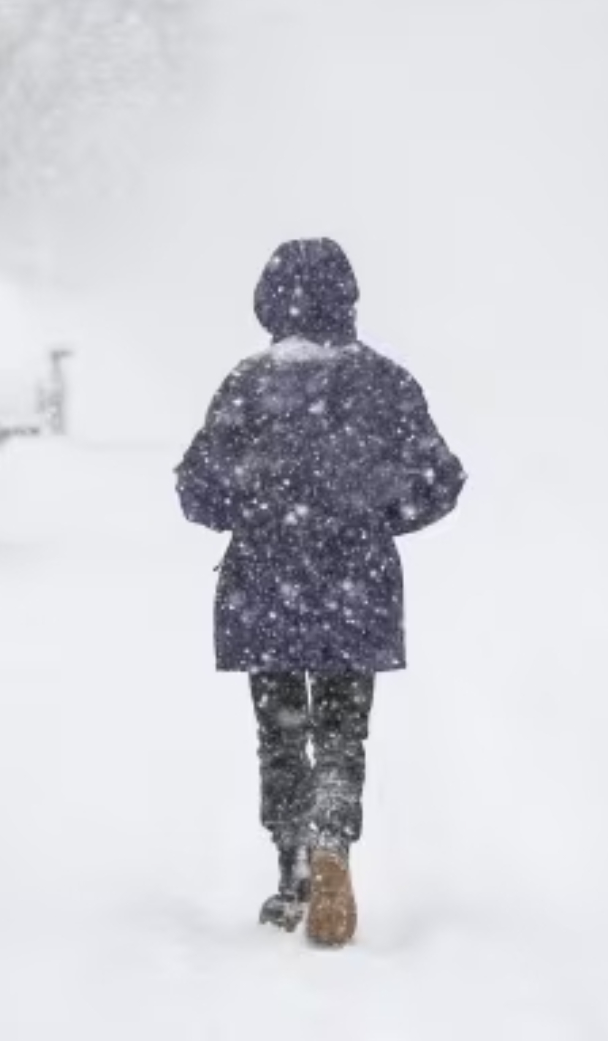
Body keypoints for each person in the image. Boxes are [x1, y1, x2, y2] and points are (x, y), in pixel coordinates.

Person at [175, 238, 466, 947]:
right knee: (342, 730)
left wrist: (251, 512)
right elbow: (442, 479)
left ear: (268, 304)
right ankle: (333, 837)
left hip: (265, 587)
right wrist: (376, 520)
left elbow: (196, 488)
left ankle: (295, 875)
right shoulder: (387, 384)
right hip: (354, 585)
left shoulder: (248, 384)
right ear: (349, 299)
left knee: (280, 737)